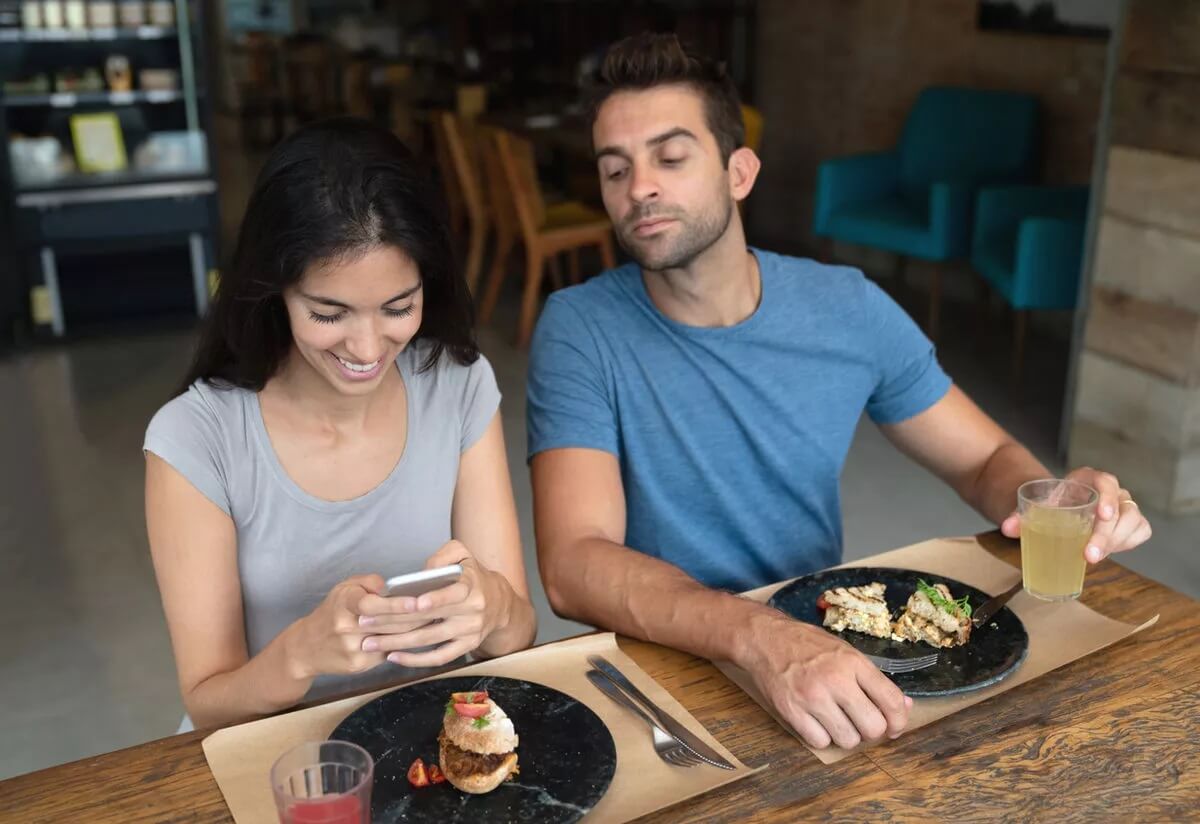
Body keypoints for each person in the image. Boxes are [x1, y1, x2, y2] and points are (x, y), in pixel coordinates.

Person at [527, 33, 1151, 751]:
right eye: (615, 170)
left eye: (670, 157)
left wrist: (1058, 504)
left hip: (826, 652)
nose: (640, 188)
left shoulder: (846, 308)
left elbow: (984, 462)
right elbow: (575, 562)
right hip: (666, 665)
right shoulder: (579, 327)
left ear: (739, 172)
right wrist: (758, 636)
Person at [144, 118, 536, 730]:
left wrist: (494, 610)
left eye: (399, 308)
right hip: (277, 758)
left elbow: (516, 634)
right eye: (329, 313)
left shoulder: (457, 385)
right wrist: (299, 654)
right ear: (274, 289)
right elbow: (207, 700)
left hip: (428, 743)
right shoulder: (198, 438)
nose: (368, 347)